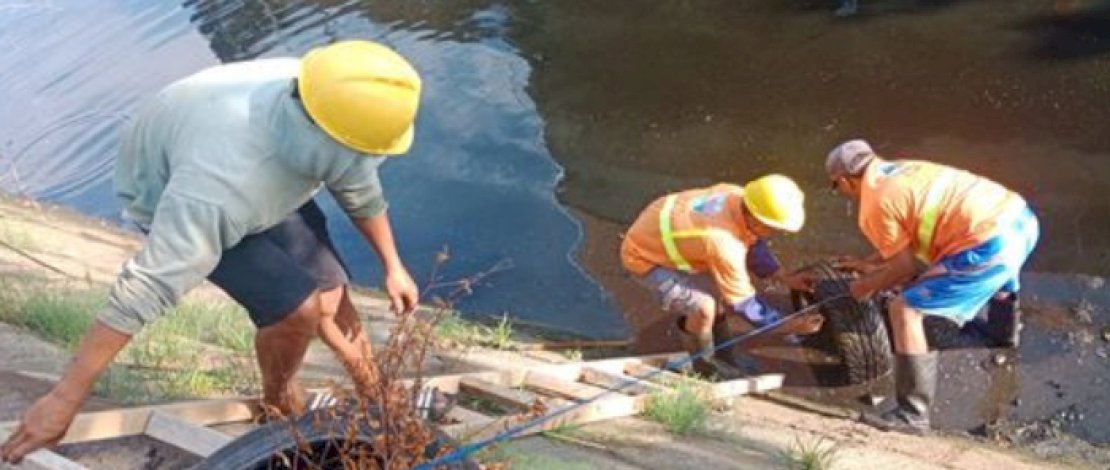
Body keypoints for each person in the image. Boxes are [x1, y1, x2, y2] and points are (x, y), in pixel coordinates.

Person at [1, 40, 424, 464]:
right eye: (364, 153)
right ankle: (278, 401)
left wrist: (393, 265)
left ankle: (379, 398)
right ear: (327, 141)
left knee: (332, 294)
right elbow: (147, 285)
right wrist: (65, 397)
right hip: (171, 184)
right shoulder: (216, 191)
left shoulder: (335, 97)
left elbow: (359, 186)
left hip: (257, 165)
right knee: (298, 309)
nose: (369, 161)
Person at [825, 139, 1039, 434]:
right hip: (1021, 220)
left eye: (836, 187)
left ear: (844, 180)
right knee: (1004, 270)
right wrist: (869, 264)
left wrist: (864, 286)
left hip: (989, 245)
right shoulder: (903, 169)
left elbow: (905, 268)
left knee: (905, 309)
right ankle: (1002, 332)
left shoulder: (873, 205)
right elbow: (906, 234)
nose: (840, 193)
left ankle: (912, 415)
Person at [620, 175, 823, 379]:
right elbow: (744, 303)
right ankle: (704, 369)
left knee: (719, 295)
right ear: (755, 217)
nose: (774, 233)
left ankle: (724, 360)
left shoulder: (736, 195)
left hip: (661, 228)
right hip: (644, 257)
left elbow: (753, 242)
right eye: (773, 228)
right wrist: (787, 325)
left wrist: (783, 277)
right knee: (703, 308)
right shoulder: (723, 243)